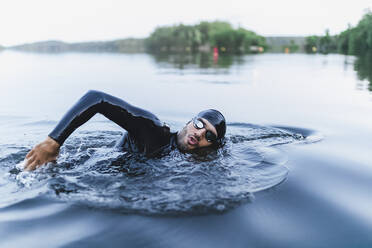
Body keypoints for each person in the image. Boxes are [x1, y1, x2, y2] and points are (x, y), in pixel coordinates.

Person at [24, 90, 226, 171]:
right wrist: (53, 141)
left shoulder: (194, 164)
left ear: (211, 146)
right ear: (189, 122)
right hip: (87, 166)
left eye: (209, 135)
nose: (199, 133)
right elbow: (97, 98)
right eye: (199, 124)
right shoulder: (153, 130)